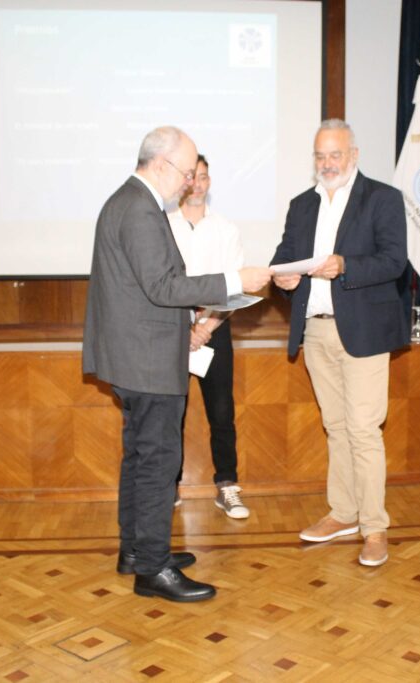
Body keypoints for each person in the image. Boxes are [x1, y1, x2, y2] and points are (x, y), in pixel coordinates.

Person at [82, 126, 271, 601]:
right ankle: (153, 569)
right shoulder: (140, 209)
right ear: (162, 164)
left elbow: (144, 290)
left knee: (141, 457)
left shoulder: (127, 202)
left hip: (137, 355)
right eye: (187, 173)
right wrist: (235, 279)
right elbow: (163, 287)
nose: (190, 182)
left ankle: (136, 550)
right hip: (146, 361)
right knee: (157, 462)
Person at [270, 119, 408, 567]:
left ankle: (375, 528)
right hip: (315, 331)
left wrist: (345, 265)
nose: (327, 163)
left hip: (364, 332)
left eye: (335, 155)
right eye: (320, 156)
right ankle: (344, 513)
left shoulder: (382, 198)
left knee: (364, 430)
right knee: (336, 427)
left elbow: (394, 261)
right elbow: (283, 257)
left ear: (354, 155)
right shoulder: (301, 204)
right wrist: (282, 277)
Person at [167, 155, 250, 520]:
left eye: (203, 177)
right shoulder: (164, 226)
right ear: (182, 182)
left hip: (215, 329)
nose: (197, 184)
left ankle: (227, 486)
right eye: (191, 177)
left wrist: (205, 327)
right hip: (172, 331)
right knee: (171, 412)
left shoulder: (226, 229)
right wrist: (186, 327)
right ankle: (168, 487)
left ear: (209, 181)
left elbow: (235, 286)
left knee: (222, 412)